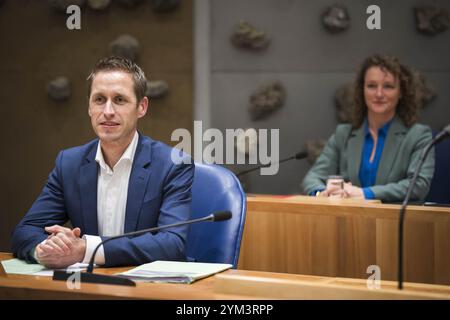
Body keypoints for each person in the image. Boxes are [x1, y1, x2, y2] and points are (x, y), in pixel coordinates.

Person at [11, 57, 194, 268]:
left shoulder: (173, 165)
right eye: (99, 99)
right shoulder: (69, 164)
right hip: (88, 288)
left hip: (149, 290)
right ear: (89, 107)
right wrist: (46, 250)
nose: (107, 111)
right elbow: (25, 230)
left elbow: (172, 243)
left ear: (141, 107)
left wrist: (86, 249)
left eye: (119, 100)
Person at [302, 54, 434, 203]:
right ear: (362, 90)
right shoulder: (344, 134)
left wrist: (365, 193)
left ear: (401, 92)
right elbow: (312, 178)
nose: (379, 94)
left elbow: (418, 186)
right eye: (371, 86)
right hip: (349, 222)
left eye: (388, 86)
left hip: (394, 223)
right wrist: (322, 194)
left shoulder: (418, 135)